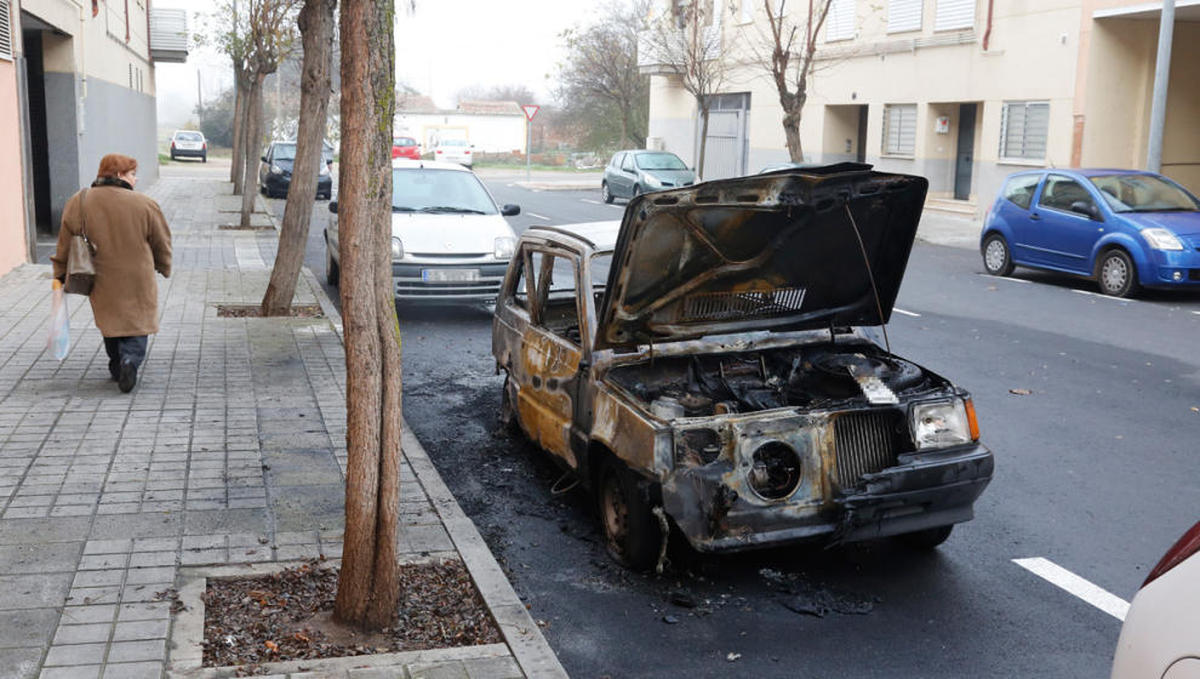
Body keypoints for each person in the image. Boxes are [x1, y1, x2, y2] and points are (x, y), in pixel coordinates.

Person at [50, 153, 172, 393]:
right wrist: (164, 265)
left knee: (112, 322)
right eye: (132, 174)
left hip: (100, 275)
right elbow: (161, 241)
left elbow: (64, 240)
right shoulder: (145, 204)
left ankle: (117, 365)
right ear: (118, 175)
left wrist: (59, 272)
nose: (135, 180)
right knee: (137, 322)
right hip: (138, 275)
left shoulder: (80, 201)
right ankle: (131, 360)